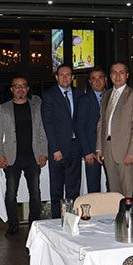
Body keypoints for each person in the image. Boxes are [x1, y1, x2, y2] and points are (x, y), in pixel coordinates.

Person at [0, 77, 48, 236]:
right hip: (12, 157)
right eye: (16, 86)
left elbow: (42, 131)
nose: (20, 89)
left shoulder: (36, 106)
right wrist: (0, 155)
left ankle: (34, 225)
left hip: (33, 156)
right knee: (11, 193)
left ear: (27, 89)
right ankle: (13, 225)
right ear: (11, 89)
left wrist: (43, 153)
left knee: (35, 193)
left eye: (23, 86)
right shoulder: (3, 108)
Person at [95, 62, 133, 197]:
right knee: (113, 193)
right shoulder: (106, 95)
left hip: (126, 151)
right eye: (114, 73)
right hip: (108, 150)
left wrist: (132, 152)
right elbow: (101, 123)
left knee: (128, 193)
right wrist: (99, 148)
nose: (117, 76)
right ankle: (117, 212)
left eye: (121, 73)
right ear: (110, 76)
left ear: (127, 75)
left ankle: (130, 213)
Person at [41, 64, 83, 218]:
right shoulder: (49, 95)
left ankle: (71, 220)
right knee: (57, 189)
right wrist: (55, 149)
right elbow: (48, 124)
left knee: (73, 188)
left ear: (72, 77)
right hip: (58, 149)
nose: (65, 77)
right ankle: (57, 221)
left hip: (75, 147)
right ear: (56, 77)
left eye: (68, 75)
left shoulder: (79, 94)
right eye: (62, 75)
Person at [75, 67, 106, 193]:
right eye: (94, 78)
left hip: (111, 150)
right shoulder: (84, 100)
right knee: (93, 188)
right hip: (91, 151)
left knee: (113, 185)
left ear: (105, 79)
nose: (97, 81)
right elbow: (80, 127)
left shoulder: (112, 97)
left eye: (100, 78)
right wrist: (87, 152)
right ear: (90, 82)